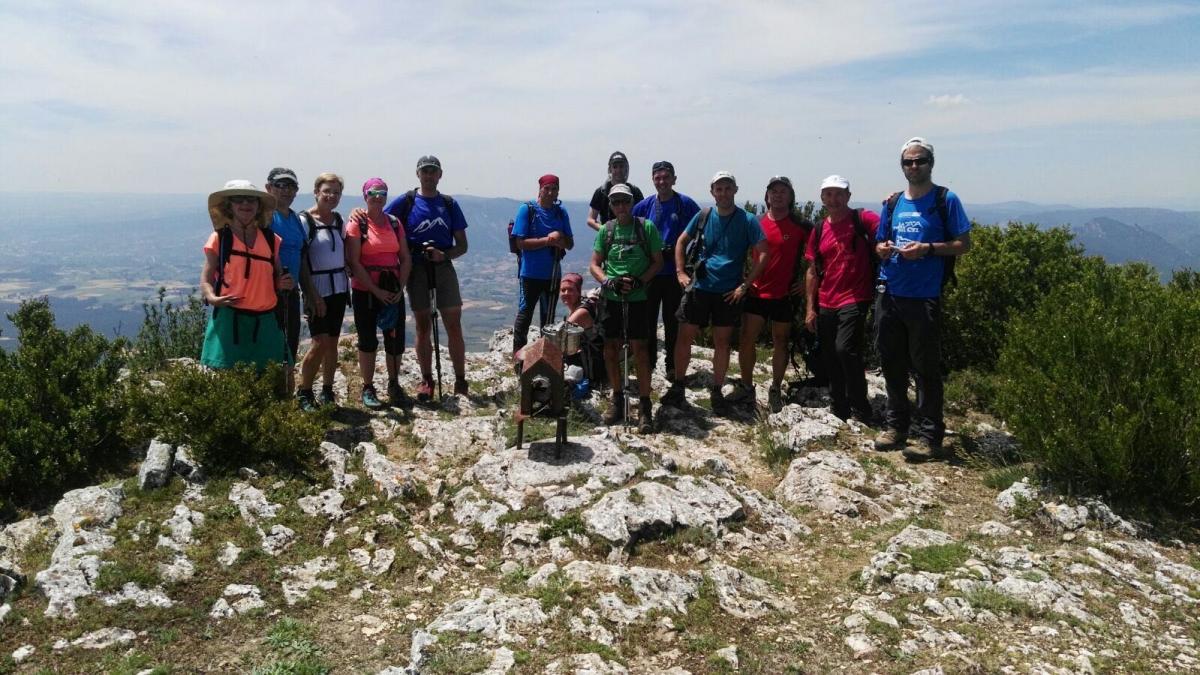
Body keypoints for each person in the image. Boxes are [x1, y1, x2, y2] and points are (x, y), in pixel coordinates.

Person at [873, 137, 972, 460]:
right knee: (891, 362)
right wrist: (883, 250)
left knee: (925, 366)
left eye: (920, 161)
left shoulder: (946, 199)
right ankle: (897, 426)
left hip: (924, 295)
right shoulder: (893, 203)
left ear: (931, 163)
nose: (914, 166)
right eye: (908, 162)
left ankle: (930, 437)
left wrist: (927, 249)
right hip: (890, 291)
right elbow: (879, 243)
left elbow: (963, 243)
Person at [663, 171, 768, 415]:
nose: (723, 193)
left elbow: (764, 253)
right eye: (718, 189)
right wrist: (680, 272)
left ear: (735, 190)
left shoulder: (748, 220)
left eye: (727, 188)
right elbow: (681, 241)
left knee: (722, 342)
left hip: (728, 291)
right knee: (684, 337)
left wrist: (745, 285)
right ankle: (679, 386)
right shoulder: (704, 215)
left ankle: (717, 390)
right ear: (712, 192)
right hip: (699, 286)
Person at [382, 156, 470, 400]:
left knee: (453, 323)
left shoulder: (449, 204)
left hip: (443, 268)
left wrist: (444, 255)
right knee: (422, 326)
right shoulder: (407, 201)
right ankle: (427, 378)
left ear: (440, 174)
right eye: (425, 172)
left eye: (433, 172)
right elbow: (379, 219)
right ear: (418, 174)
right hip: (417, 268)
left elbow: (462, 245)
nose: (429, 176)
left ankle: (460, 379)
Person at [804, 175, 880, 422]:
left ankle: (860, 408)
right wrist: (809, 308)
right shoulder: (818, 229)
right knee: (830, 355)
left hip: (856, 296)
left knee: (845, 349)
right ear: (822, 198)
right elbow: (813, 270)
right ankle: (839, 407)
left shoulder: (862, 218)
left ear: (848, 196)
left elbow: (887, 230)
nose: (833, 199)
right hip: (826, 299)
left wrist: (892, 204)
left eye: (839, 194)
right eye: (828, 194)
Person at [590, 183, 664, 433]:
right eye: (615, 202)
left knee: (640, 351)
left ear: (632, 203)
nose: (620, 206)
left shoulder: (647, 228)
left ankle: (644, 405)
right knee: (610, 348)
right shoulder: (606, 231)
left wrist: (641, 281)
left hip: (639, 298)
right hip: (611, 297)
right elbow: (595, 265)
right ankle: (617, 398)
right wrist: (607, 281)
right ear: (610, 206)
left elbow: (657, 262)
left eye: (624, 201)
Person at [199, 180, 295, 372]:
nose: (246, 204)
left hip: (266, 319)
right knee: (230, 382)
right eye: (238, 200)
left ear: (259, 206)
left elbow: (276, 276)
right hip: (230, 319)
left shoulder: (271, 240)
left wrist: (283, 282)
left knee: (277, 379)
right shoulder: (219, 239)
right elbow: (206, 279)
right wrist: (212, 298)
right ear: (229, 205)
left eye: (251, 200)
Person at [732, 176, 807, 413]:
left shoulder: (802, 226)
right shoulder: (755, 222)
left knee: (780, 342)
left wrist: (806, 283)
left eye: (783, 191)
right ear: (767, 196)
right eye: (773, 191)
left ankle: (775, 387)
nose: (778, 195)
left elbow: (819, 255)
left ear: (790, 196)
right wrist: (741, 280)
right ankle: (746, 386)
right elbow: (737, 250)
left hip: (784, 295)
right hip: (757, 292)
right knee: (746, 339)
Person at [345, 178, 412, 410]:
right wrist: (376, 291)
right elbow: (354, 261)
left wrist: (400, 286)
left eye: (382, 192)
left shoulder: (394, 223)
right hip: (365, 291)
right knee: (368, 340)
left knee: (395, 340)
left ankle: (394, 384)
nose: (378, 196)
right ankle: (368, 386)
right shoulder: (357, 224)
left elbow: (405, 257)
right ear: (365, 195)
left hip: (392, 289)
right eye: (373, 192)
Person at [632, 160, 700, 381]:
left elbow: (701, 229)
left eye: (666, 177)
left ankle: (672, 365)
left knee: (673, 322)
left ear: (674, 179)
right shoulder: (644, 206)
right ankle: (648, 364)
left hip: (674, 272)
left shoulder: (685, 204)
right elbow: (631, 231)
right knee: (647, 320)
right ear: (653, 180)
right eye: (658, 177)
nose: (662, 181)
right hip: (650, 271)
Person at [295, 173, 349, 411]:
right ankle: (304, 391)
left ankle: (327, 390)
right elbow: (302, 259)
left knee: (333, 343)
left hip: (338, 287)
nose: (331, 196)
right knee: (319, 343)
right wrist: (312, 295)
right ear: (316, 192)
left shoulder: (338, 220)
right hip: (318, 288)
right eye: (327, 191)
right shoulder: (305, 221)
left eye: (336, 192)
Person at [511, 174, 573, 360]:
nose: (551, 192)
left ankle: (543, 357)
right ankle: (519, 357)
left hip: (552, 274)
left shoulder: (561, 212)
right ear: (540, 189)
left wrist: (560, 239)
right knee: (525, 314)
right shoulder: (527, 210)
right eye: (547, 188)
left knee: (548, 318)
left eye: (554, 189)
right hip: (530, 273)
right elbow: (520, 243)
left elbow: (570, 244)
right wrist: (548, 241)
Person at [264, 168, 311, 367]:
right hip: (268, 292)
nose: (286, 190)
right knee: (270, 346)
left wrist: (309, 293)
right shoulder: (264, 218)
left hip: (291, 292)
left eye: (290, 186)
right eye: (280, 185)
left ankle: (285, 392)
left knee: (290, 344)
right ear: (268, 188)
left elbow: (301, 258)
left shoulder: (296, 219)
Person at [558, 272, 607, 388]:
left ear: (578, 291)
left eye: (570, 290)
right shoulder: (578, 306)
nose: (566, 293)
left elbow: (559, 338)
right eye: (563, 290)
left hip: (590, 364)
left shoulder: (581, 313)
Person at [586, 151, 644, 231]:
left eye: (621, 166)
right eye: (615, 167)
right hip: (607, 240)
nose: (618, 170)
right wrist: (605, 231)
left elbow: (644, 217)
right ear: (610, 169)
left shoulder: (634, 191)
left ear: (626, 168)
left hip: (632, 237)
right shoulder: (601, 192)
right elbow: (590, 219)